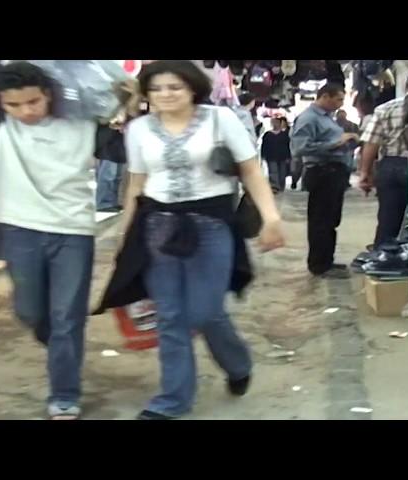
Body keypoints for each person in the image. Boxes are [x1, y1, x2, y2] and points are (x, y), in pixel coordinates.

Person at [95, 60, 285, 420]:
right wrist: (124, 233)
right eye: (157, 89)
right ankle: (173, 400)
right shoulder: (138, 130)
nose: (166, 95)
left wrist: (272, 217)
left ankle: (237, 362)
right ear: (147, 94)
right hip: (156, 226)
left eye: (175, 87)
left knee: (206, 311)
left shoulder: (220, 119)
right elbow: (136, 183)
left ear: (193, 88)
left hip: (211, 224)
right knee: (169, 316)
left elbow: (250, 170)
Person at [0, 61, 97, 420]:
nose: (26, 111)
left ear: (49, 94)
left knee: (68, 317)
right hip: (20, 229)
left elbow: (112, 91)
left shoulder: (83, 121)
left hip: (74, 231)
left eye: (33, 102)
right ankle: (58, 345)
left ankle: (64, 393)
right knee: (30, 311)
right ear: (1, 104)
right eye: (14, 105)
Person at [290, 83, 356, 279]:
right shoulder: (309, 118)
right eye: (338, 99)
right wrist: (335, 143)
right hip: (321, 172)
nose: (340, 104)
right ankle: (319, 265)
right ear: (325, 96)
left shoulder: (327, 118)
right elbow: (299, 148)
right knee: (320, 220)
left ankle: (328, 260)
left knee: (330, 220)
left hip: (334, 173)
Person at [358, 73, 408, 249]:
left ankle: (383, 258)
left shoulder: (385, 108)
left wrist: (364, 173)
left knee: (388, 218)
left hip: (391, 166)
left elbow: (372, 143)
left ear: (406, 86)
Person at [95, 119, 127, 212]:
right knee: (108, 174)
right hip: (108, 141)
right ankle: (103, 203)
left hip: (119, 141)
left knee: (117, 175)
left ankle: (112, 202)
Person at [261, 117, 292, 193]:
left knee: (282, 173)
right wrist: (263, 155)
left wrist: (289, 157)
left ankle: (281, 186)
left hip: (283, 156)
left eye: (277, 122)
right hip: (271, 156)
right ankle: (275, 186)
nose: (275, 124)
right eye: (274, 122)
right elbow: (264, 145)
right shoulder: (267, 134)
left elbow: (288, 146)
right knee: (273, 171)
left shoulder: (284, 135)